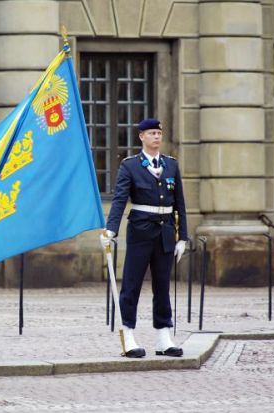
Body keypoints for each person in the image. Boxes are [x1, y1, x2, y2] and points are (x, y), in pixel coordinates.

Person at [100, 118, 187, 358]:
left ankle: (163, 336)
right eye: (151, 133)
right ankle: (128, 334)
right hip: (140, 232)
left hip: (166, 233)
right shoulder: (130, 166)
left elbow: (180, 203)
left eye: (159, 133)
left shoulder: (171, 165)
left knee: (162, 286)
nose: (157, 137)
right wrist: (111, 230)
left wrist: (184, 238)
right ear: (141, 137)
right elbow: (119, 200)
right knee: (132, 285)